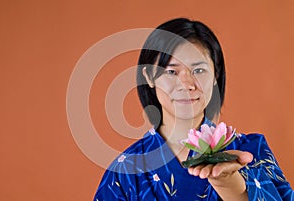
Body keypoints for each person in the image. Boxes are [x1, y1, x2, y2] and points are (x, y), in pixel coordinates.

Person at [94, 18, 293, 200]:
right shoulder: (125, 171)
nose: (187, 84)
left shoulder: (250, 150)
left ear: (216, 74)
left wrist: (235, 190)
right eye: (171, 71)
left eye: (198, 70)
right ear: (149, 76)